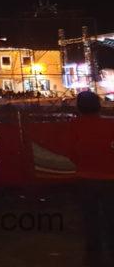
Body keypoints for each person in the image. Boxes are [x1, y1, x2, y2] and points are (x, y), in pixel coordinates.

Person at [71, 91, 114, 267]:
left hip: (84, 177)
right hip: (110, 178)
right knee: (111, 217)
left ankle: (93, 251)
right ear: (99, 105)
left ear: (79, 107)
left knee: (90, 217)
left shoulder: (73, 125)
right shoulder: (111, 124)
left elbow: (69, 149)